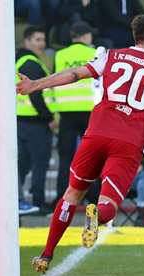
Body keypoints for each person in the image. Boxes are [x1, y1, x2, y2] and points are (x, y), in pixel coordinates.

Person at [17, 14, 144, 273]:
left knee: (72, 193)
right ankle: (96, 215)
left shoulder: (110, 55)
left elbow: (74, 73)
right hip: (128, 141)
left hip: (97, 134)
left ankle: (46, 254)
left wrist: (36, 84)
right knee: (108, 206)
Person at [52, 21, 100, 208]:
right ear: (85, 36)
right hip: (90, 112)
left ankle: (62, 198)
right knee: (92, 157)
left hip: (66, 112)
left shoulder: (60, 55)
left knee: (65, 157)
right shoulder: (94, 54)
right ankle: (93, 197)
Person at [15, 26, 56, 215]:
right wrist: (48, 118)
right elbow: (35, 95)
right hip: (35, 122)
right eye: (38, 39)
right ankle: (38, 202)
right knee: (39, 163)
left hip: (21, 121)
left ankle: (17, 200)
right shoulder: (31, 63)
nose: (42, 43)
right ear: (27, 42)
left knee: (22, 164)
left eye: (43, 39)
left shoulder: (19, 60)